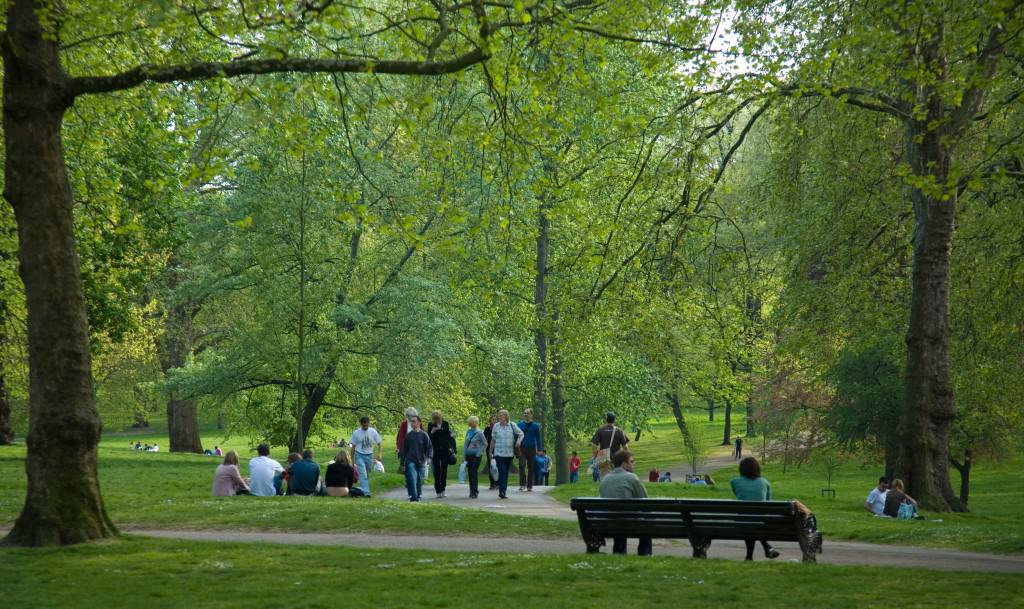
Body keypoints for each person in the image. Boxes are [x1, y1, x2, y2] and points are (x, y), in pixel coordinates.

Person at [599, 450, 652, 556]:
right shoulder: (631, 478)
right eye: (631, 461)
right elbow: (645, 501)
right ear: (624, 463)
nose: (634, 464)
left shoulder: (605, 479)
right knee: (648, 520)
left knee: (619, 518)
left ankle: (619, 553)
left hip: (608, 522)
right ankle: (644, 554)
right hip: (628, 522)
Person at [730, 456, 780, 560]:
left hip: (742, 522)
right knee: (755, 522)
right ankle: (766, 547)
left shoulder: (734, 482)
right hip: (761, 521)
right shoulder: (765, 482)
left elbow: (738, 494)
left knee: (749, 522)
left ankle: (750, 555)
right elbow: (769, 503)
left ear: (741, 469)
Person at [487, 409, 523, 499]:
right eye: (499, 415)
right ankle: (502, 491)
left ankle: (503, 491)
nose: (499, 416)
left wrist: (519, 442)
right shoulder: (496, 426)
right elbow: (493, 440)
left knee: (505, 473)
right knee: (502, 472)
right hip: (498, 453)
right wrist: (490, 451)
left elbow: (521, 434)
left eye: (501, 415)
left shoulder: (512, 425)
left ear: (506, 416)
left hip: (509, 454)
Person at [399, 415, 432, 501]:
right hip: (410, 461)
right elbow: (403, 450)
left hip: (421, 461)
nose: (412, 423)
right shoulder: (409, 436)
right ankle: (413, 497)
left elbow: (429, 447)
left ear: (419, 423)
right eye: (411, 421)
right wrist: (402, 463)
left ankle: (418, 494)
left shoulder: (424, 435)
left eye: (414, 421)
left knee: (419, 480)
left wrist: (429, 457)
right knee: (412, 478)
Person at [350, 416, 382, 498]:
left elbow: (379, 443)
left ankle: (363, 487)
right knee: (363, 474)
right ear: (361, 424)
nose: (365, 427)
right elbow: (353, 447)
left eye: (366, 425)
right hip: (359, 454)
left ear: (369, 423)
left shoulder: (373, 431)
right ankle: (366, 492)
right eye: (364, 425)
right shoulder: (356, 433)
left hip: (369, 455)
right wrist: (352, 460)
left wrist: (379, 454)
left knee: (366, 474)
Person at [591, 412, 629, 479]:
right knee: (617, 478)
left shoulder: (600, 430)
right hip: (616, 458)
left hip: (603, 457)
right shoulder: (619, 431)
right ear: (614, 420)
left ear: (606, 419)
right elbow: (625, 447)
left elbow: (594, 445)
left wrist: (595, 457)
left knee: (604, 478)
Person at [427, 410, 455, 498]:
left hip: (445, 450)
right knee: (437, 471)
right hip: (435, 450)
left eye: (438, 419)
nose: (437, 421)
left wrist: (452, 435)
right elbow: (428, 438)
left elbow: (448, 435)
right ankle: (438, 490)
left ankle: (443, 489)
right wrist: (432, 431)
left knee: (444, 470)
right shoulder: (431, 425)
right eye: (435, 419)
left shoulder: (445, 423)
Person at [517, 408, 544, 492]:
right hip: (522, 448)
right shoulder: (519, 424)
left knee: (531, 467)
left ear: (531, 414)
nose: (526, 415)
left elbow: (538, 438)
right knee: (521, 465)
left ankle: (529, 485)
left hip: (532, 448)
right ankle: (522, 484)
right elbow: (516, 436)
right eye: (525, 413)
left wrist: (540, 449)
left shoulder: (535, 426)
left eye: (528, 413)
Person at [463, 416, 488, 498]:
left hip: (476, 456)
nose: (470, 423)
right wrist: (464, 456)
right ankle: (471, 491)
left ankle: (475, 491)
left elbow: (485, 443)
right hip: (468, 455)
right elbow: (465, 444)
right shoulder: (468, 431)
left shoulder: (479, 432)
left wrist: (479, 453)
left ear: (475, 423)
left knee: (473, 472)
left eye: (472, 422)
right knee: (470, 473)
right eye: (469, 422)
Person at [395, 407, 419, 473]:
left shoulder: (418, 423)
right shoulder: (404, 424)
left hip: (415, 445)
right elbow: (401, 437)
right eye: (409, 416)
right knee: (404, 463)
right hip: (405, 445)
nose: (410, 418)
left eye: (412, 416)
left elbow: (422, 434)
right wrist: (399, 447)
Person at [484, 415, 498, 490]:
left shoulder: (499, 428)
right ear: (490, 420)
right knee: (491, 466)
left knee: (497, 466)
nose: (494, 420)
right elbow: (484, 438)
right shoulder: (487, 429)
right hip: (489, 449)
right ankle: (492, 484)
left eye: (495, 419)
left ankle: (497, 483)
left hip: (498, 449)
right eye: (493, 419)